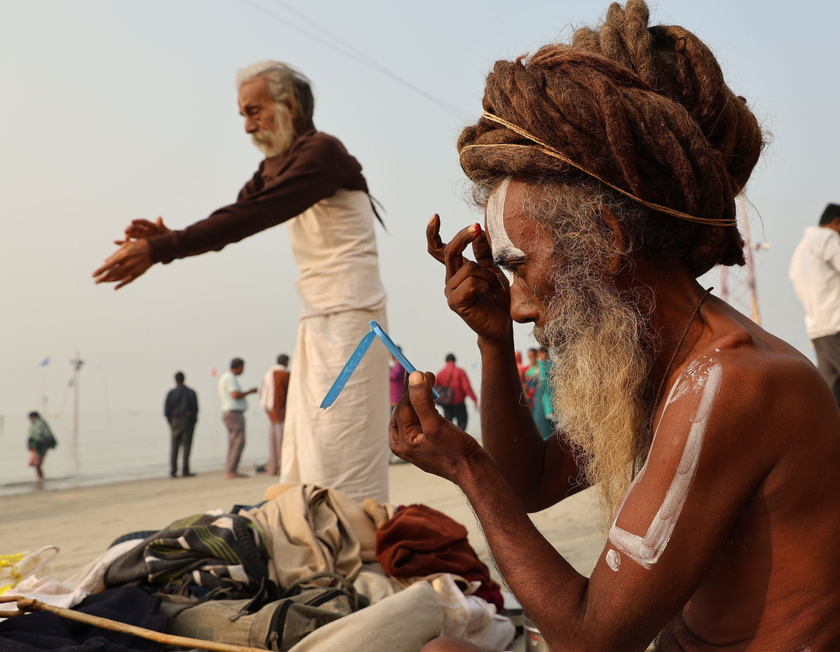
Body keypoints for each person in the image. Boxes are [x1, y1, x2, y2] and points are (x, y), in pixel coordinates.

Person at [391, 2, 840, 650]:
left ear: (604, 241)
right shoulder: (665, 359)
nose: (519, 304)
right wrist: (494, 342)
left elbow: (591, 638)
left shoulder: (733, 381)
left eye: (522, 269)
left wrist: (465, 465)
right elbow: (534, 485)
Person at [92, 61, 389, 503]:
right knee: (307, 445)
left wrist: (163, 248)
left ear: (287, 104)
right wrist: (167, 239)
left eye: (255, 111)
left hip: (351, 316)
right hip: (316, 316)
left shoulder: (323, 152)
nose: (248, 125)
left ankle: (356, 543)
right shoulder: (274, 166)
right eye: (243, 115)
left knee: (340, 441)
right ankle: (321, 544)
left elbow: (251, 216)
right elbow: (229, 220)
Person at [789, 203, 840, 406]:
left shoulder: (800, 250)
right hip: (836, 323)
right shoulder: (828, 238)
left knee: (831, 392)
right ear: (836, 223)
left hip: (818, 328)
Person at [218, 358, 257, 479]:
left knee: (233, 441)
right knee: (238, 441)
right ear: (238, 366)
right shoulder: (230, 378)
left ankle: (230, 468)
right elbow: (234, 394)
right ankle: (231, 470)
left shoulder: (226, 377)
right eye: (242, 368)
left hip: (229, 412)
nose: (243, 371)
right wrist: (249, 392)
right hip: (233, 413)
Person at [259, 354, 290, 476]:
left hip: (270, 410)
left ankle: (274, 466)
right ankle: (280, 466)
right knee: (281, 440)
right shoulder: (284, 375)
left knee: (273, 440)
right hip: (280, 410)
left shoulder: (268, 374)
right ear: (286, 363)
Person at [163, 371, 199, 478]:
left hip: (175, 421)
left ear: (175, 380)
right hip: (187, 421)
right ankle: (185, 470)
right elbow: (195, 409)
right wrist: (193, 421)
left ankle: (173, 471)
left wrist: (170, 422)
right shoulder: (191, 392)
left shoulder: (171, 393)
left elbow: (166, 410)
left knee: (174, 446)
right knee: (186, 446)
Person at [435, 354, 478, 431]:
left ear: (446, 361)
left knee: (448, 427)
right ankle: (460, 441)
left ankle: (449, 442)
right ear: (455, 360)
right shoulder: (460, 372)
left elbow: (435, 388)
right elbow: (466, 387)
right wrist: (474, 399)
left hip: (446, 404)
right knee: (462, 423)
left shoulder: (440, 373)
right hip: (459, 403)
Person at [26, 411, 56, 479]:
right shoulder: (34, 424)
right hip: (36, 445)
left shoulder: (40, 423)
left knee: (37, 462)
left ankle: (41, 478)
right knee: (35, 463)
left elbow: (46, 434)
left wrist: (50, 442)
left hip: (41, 445)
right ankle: (40, 478)